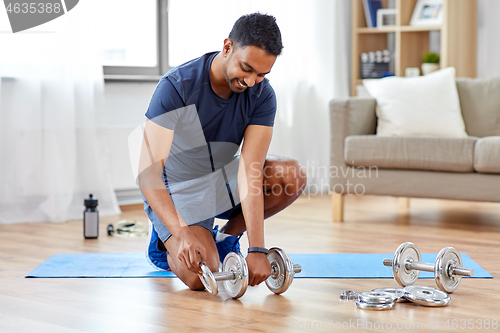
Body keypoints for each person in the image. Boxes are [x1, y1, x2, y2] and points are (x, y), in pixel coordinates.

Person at [139, 12, 306, 291]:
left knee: (290, 175)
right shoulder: (177, 87)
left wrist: (257, 249)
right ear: (227, 47)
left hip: (219, 181)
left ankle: (226, 238)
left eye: (262, 74)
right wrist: (181, 233)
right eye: (246, 68)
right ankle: (162, 241)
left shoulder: (263, 95)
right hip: (178, 188)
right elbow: (148, 175)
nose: (252, 81)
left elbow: (250, 170)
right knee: (199, 279)